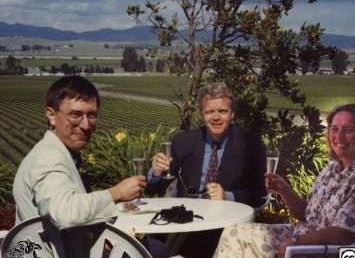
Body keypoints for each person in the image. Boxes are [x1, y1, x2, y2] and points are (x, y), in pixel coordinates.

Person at [205, 103, 355, 258]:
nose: (339, 137)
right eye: (334, 129)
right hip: (302, 238)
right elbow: (306, 214)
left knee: (242, 249)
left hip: (322, 256)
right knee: (234, 231)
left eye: (348, 130)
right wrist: (283, 190)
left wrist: (296, 244)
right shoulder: (332, 168)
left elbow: (344, 233)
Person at [13, 75, 146, 228]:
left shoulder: (62, 151)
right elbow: (64, 212)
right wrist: (117, 193)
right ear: (51, 116)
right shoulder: (49, 156)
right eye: (75, 115)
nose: (86, 125)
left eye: (92, 115)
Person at [147, 82, 267, 207]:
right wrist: (156, 173)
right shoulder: (183, 141)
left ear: (232, 113)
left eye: (222, 111)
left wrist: (228, 196)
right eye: (209, 112)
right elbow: (154, 189)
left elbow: (259, 195)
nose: (216, 117)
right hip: (187, 219)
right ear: (201, 114)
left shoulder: (251, 145)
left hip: (227, 220)